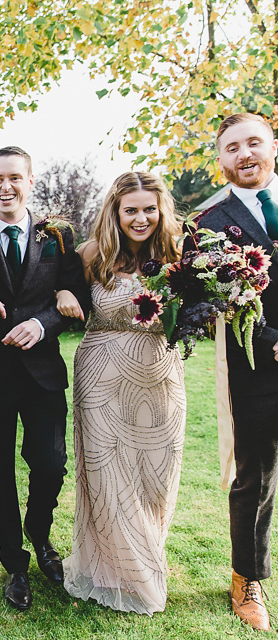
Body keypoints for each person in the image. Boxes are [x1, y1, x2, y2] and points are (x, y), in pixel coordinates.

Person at [58, 171, 185, 615]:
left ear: (161, 210)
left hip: (161, 376)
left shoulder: (178, 253)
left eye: (149, 209)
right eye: (131, 209)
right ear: (115, 211)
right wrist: (60, 290)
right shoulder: (93, 254)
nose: (141, 218)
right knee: (108, 477)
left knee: (156, 477)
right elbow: (61, 283)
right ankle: (115, 572)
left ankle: (145, 560)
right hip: (103, 377)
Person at [0, 147, 89, 610]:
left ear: (30, 181)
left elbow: (76, 293)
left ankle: (40, 535)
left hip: (43, 373)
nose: (6, 187)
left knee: (50, 462)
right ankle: (14, 563)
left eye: (15, 178)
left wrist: (42, 324)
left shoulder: (56, 236)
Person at [191, 113, 278, 630]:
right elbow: (214, 298)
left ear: (274, 146)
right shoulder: (209, 223)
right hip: (256, 369)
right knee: (256, 479)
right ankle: (248, 578)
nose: (244, 155)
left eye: (253, 144)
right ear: (220, 159)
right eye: (232, 148)